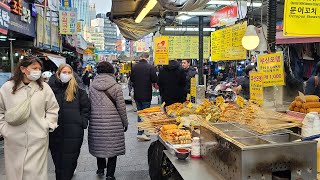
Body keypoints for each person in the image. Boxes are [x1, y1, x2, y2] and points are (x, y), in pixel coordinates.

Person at [0, 56, 59, 180]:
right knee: (15, 173)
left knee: (35, 174)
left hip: (38, 139)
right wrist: (4, 129)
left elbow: (53, 109)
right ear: (23, 69)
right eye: (34, 68)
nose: (37, 71)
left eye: (39, 68)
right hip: (13, 139)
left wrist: (47, 125)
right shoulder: (7, 88)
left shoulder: (44, 88)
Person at [48, 64, 90, 180]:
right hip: (55, 132)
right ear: (58, 73)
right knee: (58, 162)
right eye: (64, 72)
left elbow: (86, 107)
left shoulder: (78, 90)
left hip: (74, 132)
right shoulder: (49, 89)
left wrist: (82, 122)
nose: (66, 75)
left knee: (70, 161)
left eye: (68, 72)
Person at [89, 61, 128, 180]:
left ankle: (100, 169)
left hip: (96, 122)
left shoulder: (92, 85)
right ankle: (110, 175)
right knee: (112, 148)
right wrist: (125, 122)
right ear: (112, 71)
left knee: (99, 145)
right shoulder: (116, 86)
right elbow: (121, 107)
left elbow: (89, 104)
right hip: (113, 123)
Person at [130, 53, 157, 141]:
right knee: (145, 114)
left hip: (137, 94)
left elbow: (132, 79)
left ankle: (142, 131)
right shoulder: (150, 67)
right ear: (147, 58)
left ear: (140, 58)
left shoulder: (134, 67)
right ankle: (141, 132)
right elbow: (154, 79)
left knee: (140, 113)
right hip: (146, 94)